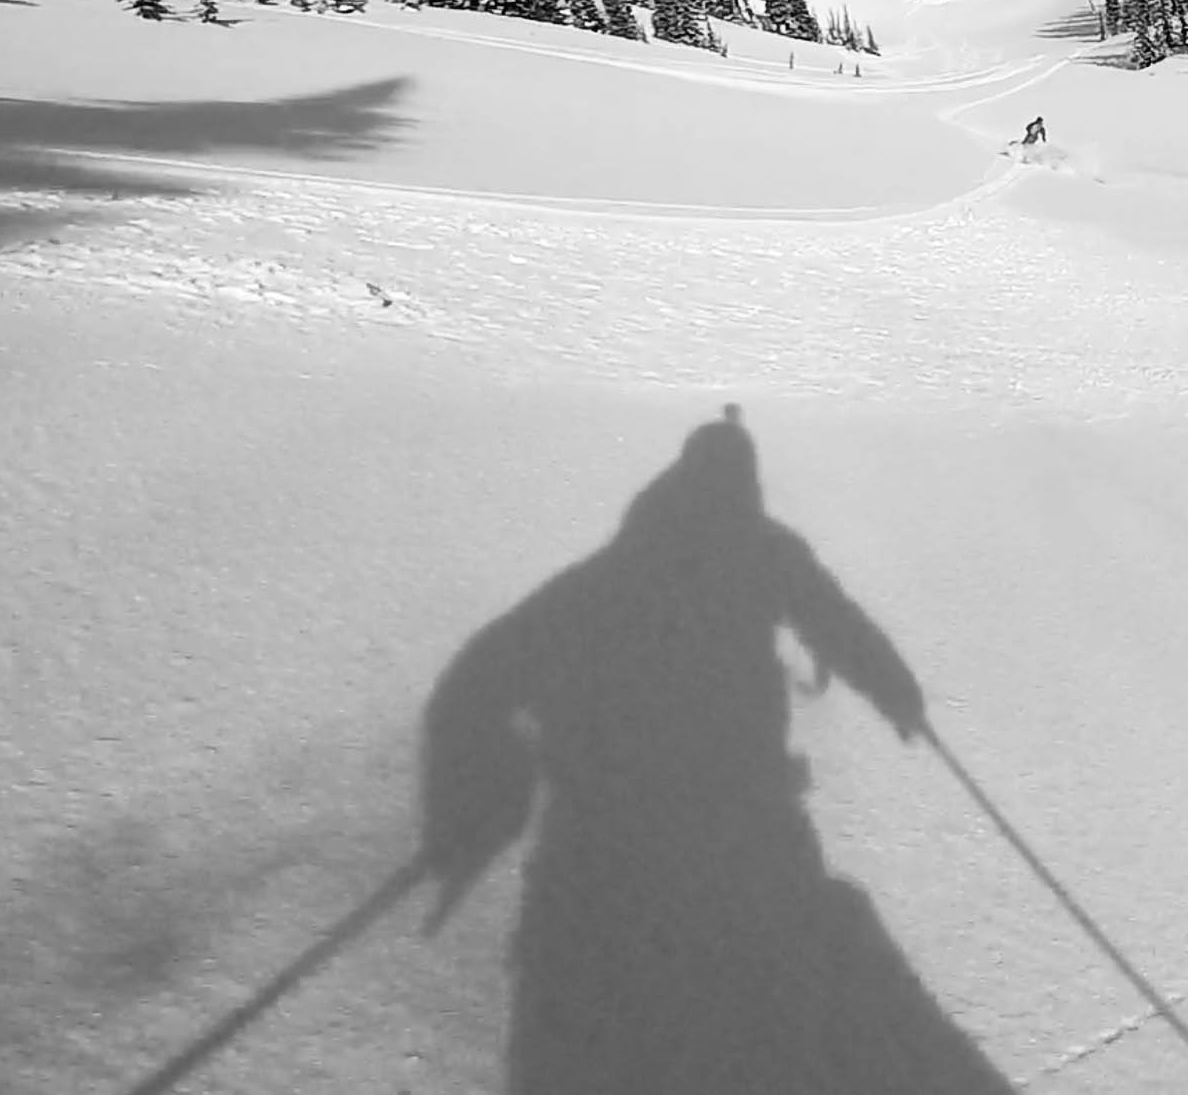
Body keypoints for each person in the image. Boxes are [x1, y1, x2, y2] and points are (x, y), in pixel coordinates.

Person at [416, 406, 1011, 1095]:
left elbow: (469, 685)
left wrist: (480, 794)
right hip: (742, 844)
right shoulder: (758, 549)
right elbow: (836, 619)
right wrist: (896, 692)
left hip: (594, 864)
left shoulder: (598, 581)